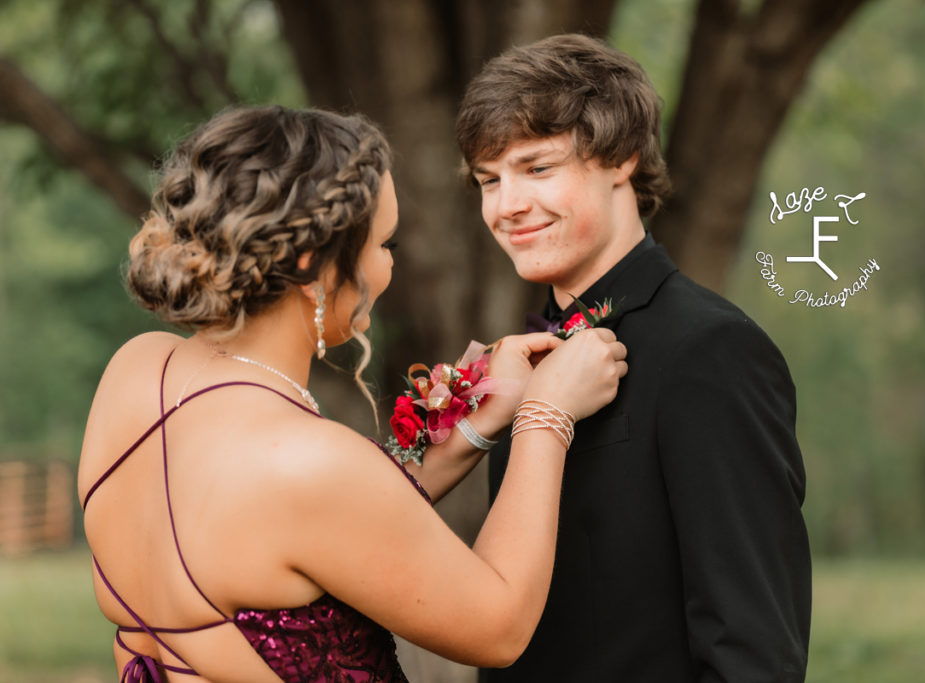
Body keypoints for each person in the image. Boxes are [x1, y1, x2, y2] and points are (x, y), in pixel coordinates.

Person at [77, 105, 627, 683]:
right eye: (383, 243)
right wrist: (547, 412)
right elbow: (500, 628)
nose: (388, 265)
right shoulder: (309, 462)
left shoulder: (137, 370)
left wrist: (472, 426)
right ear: (315, 264)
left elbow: (329, 530)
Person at [456, 34, 811, 682]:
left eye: (537, 168)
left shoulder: (709, 351)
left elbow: (753, 651)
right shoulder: (522, 364)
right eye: (489, 179)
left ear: (620, 158)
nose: (507, 205)